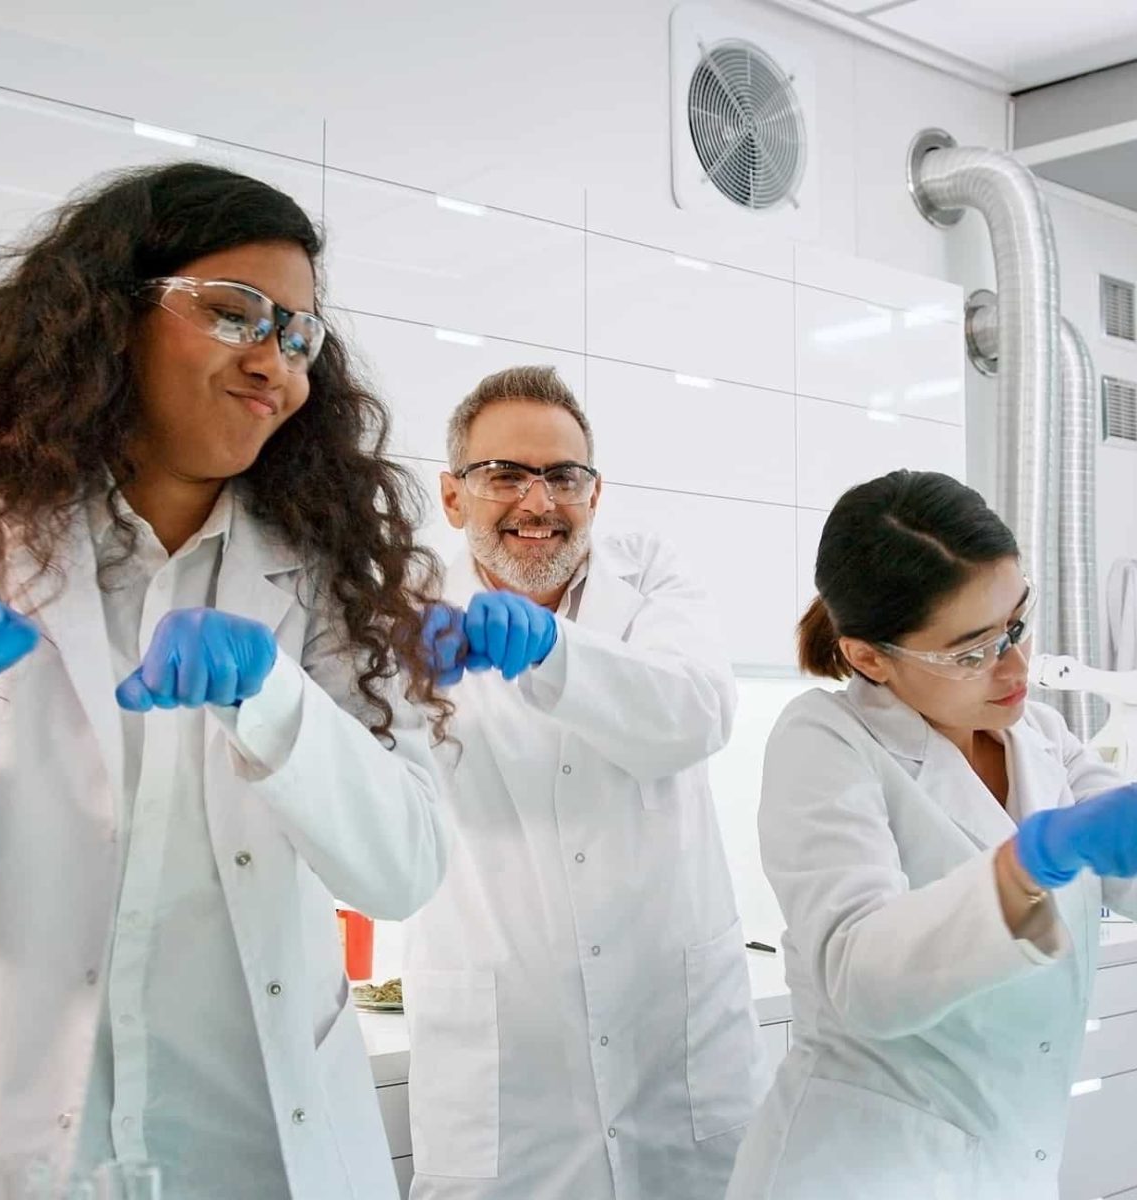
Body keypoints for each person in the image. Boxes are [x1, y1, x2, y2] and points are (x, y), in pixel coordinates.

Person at [0, 162, 448, 1200]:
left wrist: (275, 702)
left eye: (298, 336)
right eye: (233, 312)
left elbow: (402, 869)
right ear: (107, 316)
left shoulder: (336, 570)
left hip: (255, 1145)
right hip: (18, 1132)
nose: (275, 364)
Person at [727, 469, 1137, 1200]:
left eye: (1016, 625)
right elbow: (862, 977)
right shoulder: (827, 740)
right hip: (866, 1172)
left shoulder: (1040, 735)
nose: (1015, 667)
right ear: (868, 656)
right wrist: (1026, 867)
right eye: (972, 652)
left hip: (1010, 1165)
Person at [409, 366, 766, 1200]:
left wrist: (551, 652)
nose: (538, 502)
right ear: (454, 497)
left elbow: (696, 713)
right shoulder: (405, 607)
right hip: (508, 1071)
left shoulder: (651, 578)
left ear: (595, 495)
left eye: (563, 477)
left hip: (674, 1050)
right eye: (504, 474)